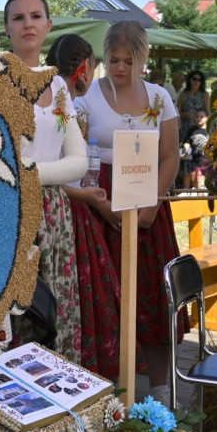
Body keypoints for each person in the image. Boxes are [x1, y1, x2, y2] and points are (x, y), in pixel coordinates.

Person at [73, 21, 183, 403]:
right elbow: (78, 157)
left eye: (129, 61)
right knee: (107, 301)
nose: (120, 68)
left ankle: (161, 394)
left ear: (143, 59)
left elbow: (170, 155)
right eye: (114, 60)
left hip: (148, 199)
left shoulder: (159, 97)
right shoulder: (86, 100)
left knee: (153, 298)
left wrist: (154, 199)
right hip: (101, 203)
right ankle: (109, 394)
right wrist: (103, 205)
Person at [3, 0, 88, 365]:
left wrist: (29, 172)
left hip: (54, 215)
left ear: (49, 25)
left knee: (55, 312)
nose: (28, 24)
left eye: (36, 16)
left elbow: (79, 161)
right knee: (18, 317)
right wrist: (40, 174)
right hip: (8, 212)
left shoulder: (57, 87)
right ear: (6, 28)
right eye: (18, 18)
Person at [46, 32, 128, 378]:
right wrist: (83, 195)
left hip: (68, 206)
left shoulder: (56, 94)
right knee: (71, 299)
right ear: (84, 68)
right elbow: (49, 163)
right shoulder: (59, 96)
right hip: (62, 207)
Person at [176, 69, 210, 145]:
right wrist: (185, 114)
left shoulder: (205, 95)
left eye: (199, 80)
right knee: (184, 149)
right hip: (185, 127)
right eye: (194, 79)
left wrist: (204, 120)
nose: (196, 82)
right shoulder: (183, 94)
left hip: (199, 127)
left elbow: (208, 112)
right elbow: (177, 112)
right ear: (190, 80)